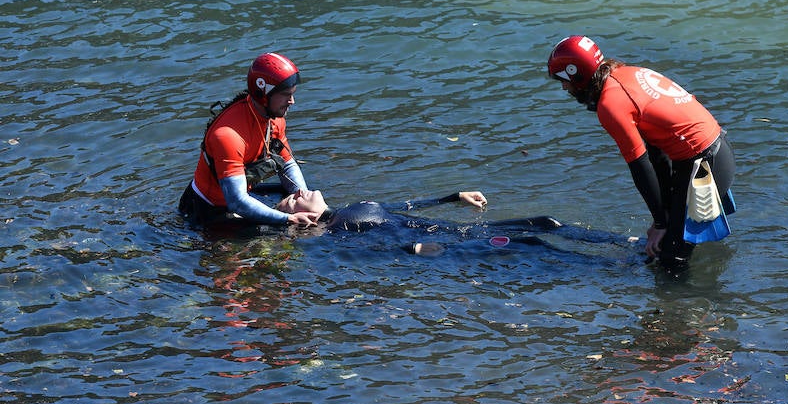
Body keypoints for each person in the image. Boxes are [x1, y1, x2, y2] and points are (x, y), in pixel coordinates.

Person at [546, 35, 736, 272]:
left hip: (704, 164)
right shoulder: (626, 73)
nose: (564, 87)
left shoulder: (610, 105)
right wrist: (664, 216)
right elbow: (657, 153)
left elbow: (640, 165)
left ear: (578, 74)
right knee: (666, 247)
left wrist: (660, 223)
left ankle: (683, 306)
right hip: (712, 151)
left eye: (564, 80)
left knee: (670, 262)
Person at [275, 188, 630, 256]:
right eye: (291, 199)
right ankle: (616, 265)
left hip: (457, 229)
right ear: (302, 219)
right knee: (535, 243)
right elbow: (377, 245)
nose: (297, 192)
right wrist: (413, 249)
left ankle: (625, 243)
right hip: (456, 242)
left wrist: (452, 197)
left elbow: (405, 205)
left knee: (545, 222)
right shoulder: (338, 230)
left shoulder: (354, 206)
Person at [179, 52, 317, 227]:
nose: (292, 101)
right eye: (286, 95)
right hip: (208, 211)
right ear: (263, 94)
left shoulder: (274, 120)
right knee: (282, 231)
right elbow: (237, 202)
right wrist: (288, 219)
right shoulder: (228, 136)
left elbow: (287, 165)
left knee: (304, 200)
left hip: (239, 195)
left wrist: (302, 198)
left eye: (293, 94)